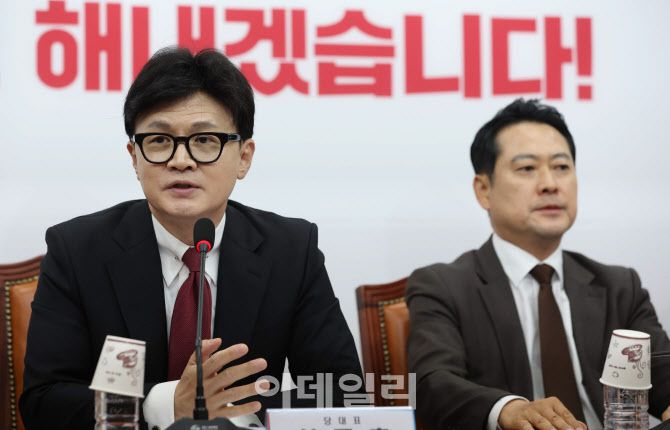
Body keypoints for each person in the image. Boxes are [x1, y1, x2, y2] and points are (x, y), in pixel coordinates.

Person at [20, 47, 362, 430]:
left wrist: (239, 412)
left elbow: (342, 391)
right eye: (159, 140)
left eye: (205, 140)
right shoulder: (78, 251)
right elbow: (44, 402)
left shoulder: (291, 251)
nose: (181, 160)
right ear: (134, 157)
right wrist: (164, 403)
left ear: (244, 157)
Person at [406, 98, 670, 430]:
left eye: (562, 167)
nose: (550, 184)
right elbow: (432, 384)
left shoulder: (619, 287)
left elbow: (663, 374)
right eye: (527, 169)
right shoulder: (444, 286)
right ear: (484, 189)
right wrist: (508, 409)